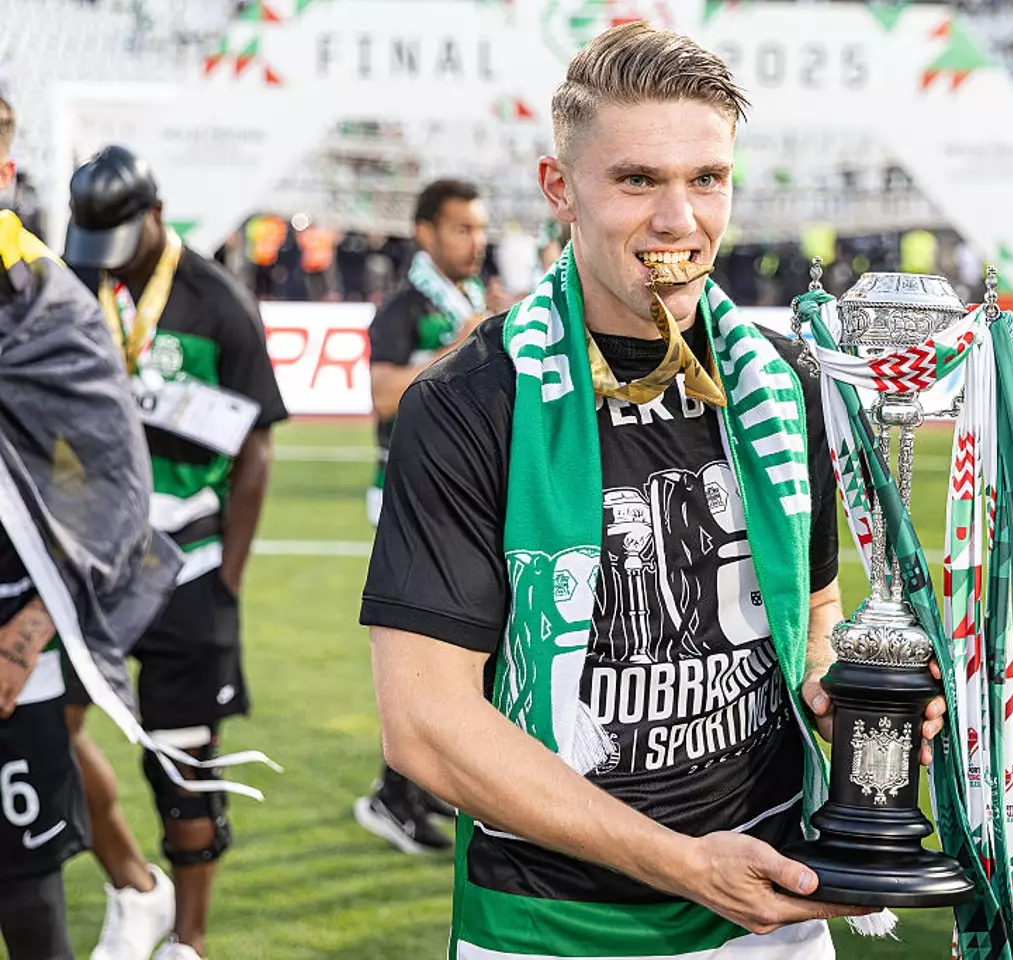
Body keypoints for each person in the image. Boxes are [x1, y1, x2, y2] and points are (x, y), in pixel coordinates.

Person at [363, 22, 946, 959]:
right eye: (638, 181)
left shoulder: (785, 380)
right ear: (562, 190)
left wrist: (855, 697)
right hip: (553, 924)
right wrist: (682, 863)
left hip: (777, 903)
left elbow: (818, 608)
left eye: (706, 180)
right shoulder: (472, 401)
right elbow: (427, 727)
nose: (680, 220)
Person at [63, 145, 290, 960]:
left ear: (155, 214)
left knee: (185, 767)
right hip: (85, 565)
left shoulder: (218, 302)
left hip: (186, 565)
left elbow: (257, 451)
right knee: (42, 731)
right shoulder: (72, 281)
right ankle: (135, 887)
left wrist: (226, 578)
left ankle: (188, 944)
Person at [0, 94, 182, 960]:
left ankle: (146, 895)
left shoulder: (42, 299)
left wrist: (26, 631)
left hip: (13, 644)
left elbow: (113, 489)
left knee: (25, 894)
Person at [354, 178, 494, 854]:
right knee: (422, 651)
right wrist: (463, 345)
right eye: (462, 228)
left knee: (464, 652)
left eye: (480, 228)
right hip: (410, 498)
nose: (477, 241)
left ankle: (413, 791)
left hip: (464, 497)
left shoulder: (467, 299)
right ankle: (391, 795)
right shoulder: (405, 306)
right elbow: (382, 396)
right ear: (425, 234)